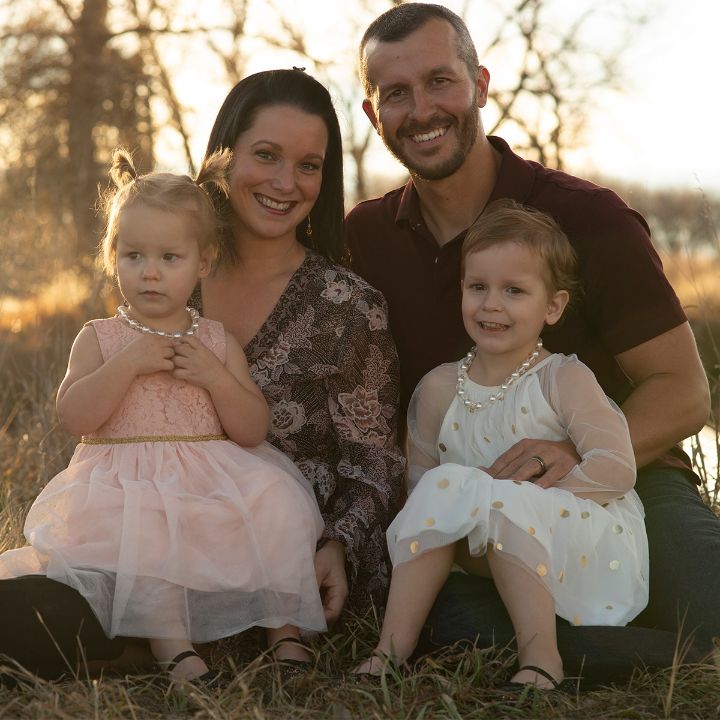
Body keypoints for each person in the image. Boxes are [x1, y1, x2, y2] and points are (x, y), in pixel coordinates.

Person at [346, 3, 716, 659]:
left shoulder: (587, 217)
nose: (422, 109)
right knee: (443, 620)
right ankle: (627, 649)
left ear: (480, 86)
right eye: (395, 94)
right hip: (472, 508)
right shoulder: (365, 241)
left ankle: (645, 640)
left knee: (708, 603)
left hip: (622, 479)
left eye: (440, 81)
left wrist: (580, 457)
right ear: (375, 116)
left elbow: (684, 391)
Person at [0, 148, 327, 683]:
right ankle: (173, 647)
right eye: (134, 256)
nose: (150, 273)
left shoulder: (215, 340)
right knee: (147, 530)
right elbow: (73, 415)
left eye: (169, 259)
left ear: (202, 262)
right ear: (113, 257)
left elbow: (251, 428)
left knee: (278, 502)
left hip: (207, 481)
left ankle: (284, 630)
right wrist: (125, 365)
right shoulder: (100, 339)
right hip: (124, 485)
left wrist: (216, 377)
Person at [353, 201, 648, 689]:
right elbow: (422, 490)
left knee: (506, 500)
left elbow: (617, 468)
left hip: (576, 543)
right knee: (445, 484)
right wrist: (474, 513)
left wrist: (527, 501)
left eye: (514, 290)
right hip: (481, 549)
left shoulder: (563, 378)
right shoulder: (439, 389)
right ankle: (390, 651)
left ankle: (541, 660)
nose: (491, 304)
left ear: (552, 306)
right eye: (478, 287)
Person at [194, 68, 405, 632]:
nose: (286, 183)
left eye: (308, 166)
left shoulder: (348, 307)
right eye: (266, 155)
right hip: (168, 536)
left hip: (293, 563)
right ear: (225, 156)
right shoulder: (172, 282)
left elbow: (375, 467)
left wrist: (338, 545)